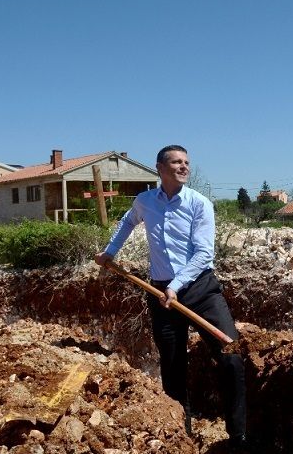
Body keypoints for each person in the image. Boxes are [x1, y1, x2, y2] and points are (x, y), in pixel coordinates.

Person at [95, 145, 250, 451]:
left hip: (200, 289)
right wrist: (109, 252)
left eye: (186, 162)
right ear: (160, 168)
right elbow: (128, 221)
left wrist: (177, 285)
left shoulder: (199, 204)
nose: (184, 166)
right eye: (177, 162)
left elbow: (204, 253)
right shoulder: (145, 201)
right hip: (161, 293)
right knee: (173, 363)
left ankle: (239, 436)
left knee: (231, 357)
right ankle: (182, 433)